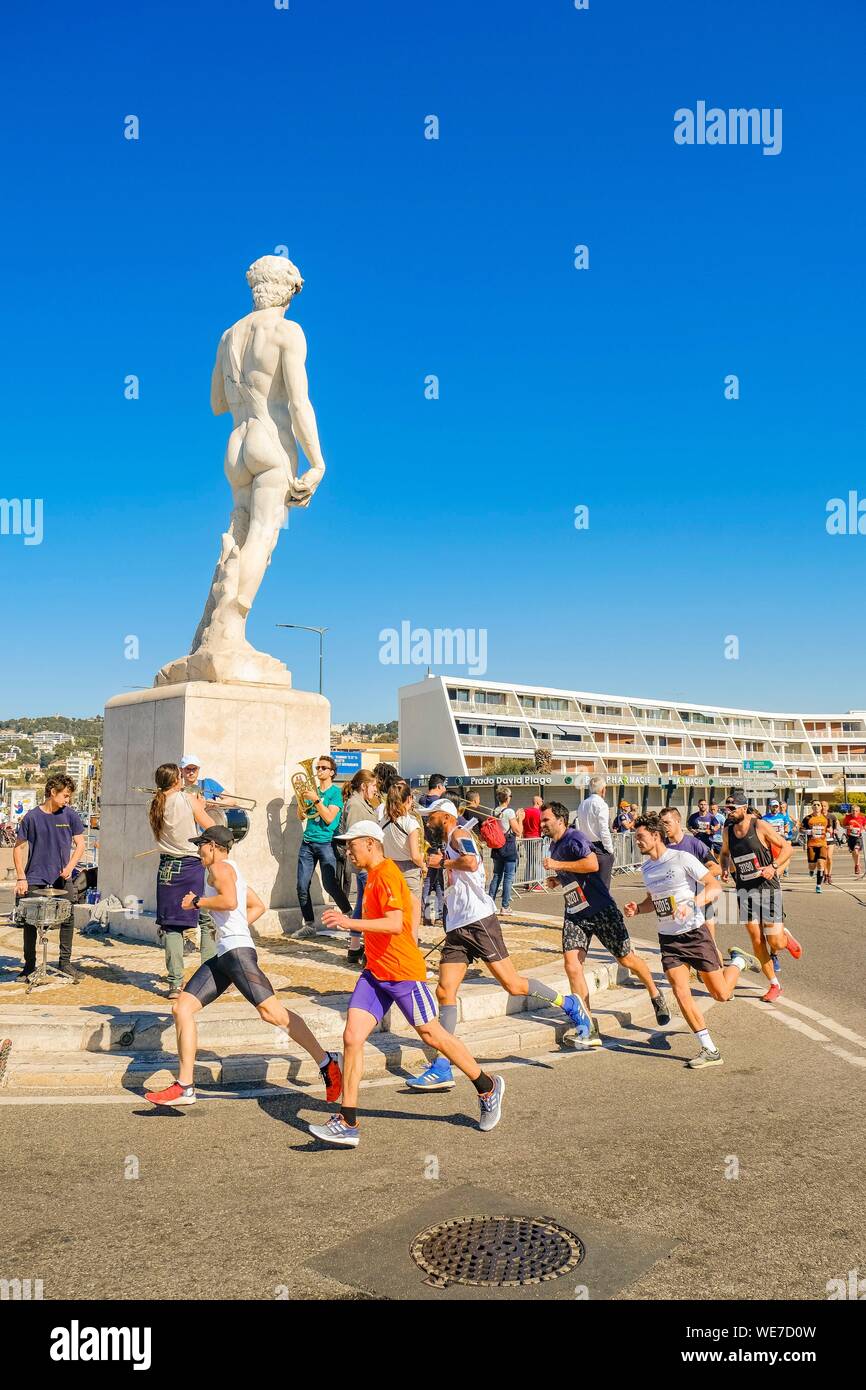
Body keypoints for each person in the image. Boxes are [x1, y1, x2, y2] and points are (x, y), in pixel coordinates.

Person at [309, 820, 505, 1145]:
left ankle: (487, 1086)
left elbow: (393, 921)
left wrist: (349, 923)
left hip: (402, 973)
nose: (348, 850)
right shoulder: (373, 875)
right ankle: (348, 1121)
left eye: (352, 844)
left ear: (370, 843)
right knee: (352, 1037)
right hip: (375, 973)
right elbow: (411, 906)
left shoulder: (385, 873)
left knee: (432, 1034)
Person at [145, 826, 342, 1107]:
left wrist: (197, 902)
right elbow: (257, 906)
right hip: (227, 953)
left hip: (236, 954)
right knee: (182, 1008)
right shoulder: (231, 870)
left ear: (213, 846)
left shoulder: (220, 869)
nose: (198, 851)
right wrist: (231, 930)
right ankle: (185, 1086)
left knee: (272, 1012)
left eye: (200, 845)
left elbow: (230, 901)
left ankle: (327, 1061)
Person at [405, 799, 590, 1090]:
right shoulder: (450, 839)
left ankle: (569, 1004)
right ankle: (442, 1065)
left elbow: (471, 862)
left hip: (479, 921)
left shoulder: (459, 836)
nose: (428, 822)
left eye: (431, 817)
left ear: (445, 816)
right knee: (444, 990)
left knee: (513, 985)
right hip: (457, 926)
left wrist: (442, 863)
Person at [624, 814, 750, 1069]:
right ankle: (709, 1049)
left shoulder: (682, 858)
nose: (636, 842)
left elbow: (714, 886)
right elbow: (653, 900)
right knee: (681, 993)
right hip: (668, 939)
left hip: (694, 933)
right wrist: (638, 908)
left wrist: (693, 903)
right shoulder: (647, 869)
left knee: (721, 994)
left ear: (655, 835)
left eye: (640, 837)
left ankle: (738, 962)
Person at [541, 801, 670, 1047]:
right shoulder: (554, 844)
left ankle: (655, 992)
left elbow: (591, 864)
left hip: (600, 909)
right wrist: (559, 879)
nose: (542, 824)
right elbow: (576, 872)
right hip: (575, 912)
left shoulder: (574, 837)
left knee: (626, 959)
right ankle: (586, 1026)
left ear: (560, 819)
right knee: (572, 965)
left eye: (546, 819)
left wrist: (558, 865)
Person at [720, 789, 801, 1003]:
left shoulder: (759, 825)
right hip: (744, 888)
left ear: (743, 808)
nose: (728, 812)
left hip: (767, 886)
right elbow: (725, 853)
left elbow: (787, 848)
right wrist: (725, 868)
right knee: (756, 940)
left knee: (775, 941)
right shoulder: (727, 830)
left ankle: (785, 936)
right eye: (726, 808)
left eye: (731, 808)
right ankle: (775, 984)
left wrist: (773, 866)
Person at [148, 764, 217, 998]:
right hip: (190, 865)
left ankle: (175, 984)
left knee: (172, 927)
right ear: (177, 780)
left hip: (166, 867)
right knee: (206, 921)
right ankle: (209, 978)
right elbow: (212, 828)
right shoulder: (187, 799)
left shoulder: (154, 803)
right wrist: (202, 806)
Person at [13, 774, 87, 982]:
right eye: (65, 795)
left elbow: (80, 844)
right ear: (53, 792)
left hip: (62, 878)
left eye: (69, 796)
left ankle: (65, 963)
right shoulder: (31, 817)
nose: (68, 800)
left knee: (68, 918)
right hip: (35, 876)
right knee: (30, 921)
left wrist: (70, 867)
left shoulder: (70, 815)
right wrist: (21, 877)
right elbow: (18, 848)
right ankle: (29, 965)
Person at [295, 753, 354, 934]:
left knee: (330, 884)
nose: (318, 770)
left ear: (332, 772)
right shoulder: (313, 791)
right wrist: (300, 799)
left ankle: (349, 915)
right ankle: (309, 924)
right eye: (317, 768)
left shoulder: (335, 793)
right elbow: (301, 816)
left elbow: (329, 818)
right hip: (307, 842)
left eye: (323, 768)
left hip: (326, 843)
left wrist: (316, 800)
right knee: (301, 885)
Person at [659, 806, 722, 936]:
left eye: (667, 823)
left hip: (700, 899)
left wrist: (696, 877)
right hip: (675, 904)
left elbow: (716, 868)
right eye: (661, 823)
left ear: (678, 821)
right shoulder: (662, 847)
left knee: (710, 946)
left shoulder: (694, 844)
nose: (664, 826)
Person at [340, 768, 381, 966]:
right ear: (364, 786)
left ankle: (355, 948)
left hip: (367, 863)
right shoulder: (356, 805)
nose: (375, 790)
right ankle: (366, 950)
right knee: (370, 908)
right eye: (373, 786)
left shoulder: (362, 802)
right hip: (366, 864)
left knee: (361, 905)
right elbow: (356, 837)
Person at [381, 781, 426, 917]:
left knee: (394, 911)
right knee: (412, 912)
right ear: (409, 799)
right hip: (409, 870)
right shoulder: (410, 823)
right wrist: (423, 865)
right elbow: (415, 856)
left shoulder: (382, 821)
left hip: (390, 868)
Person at [573, 775, 614, 889]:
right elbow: (604, 829)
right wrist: (609, 850)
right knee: (603, 886)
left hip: (586, 846)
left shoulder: (582, 804)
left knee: (589, 885)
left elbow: (579, 825)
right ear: (603, 790)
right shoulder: (601, 804)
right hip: (600, 847)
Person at [418, 774, 448, 925]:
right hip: (435, 847)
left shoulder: (421, 801)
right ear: (438, 786)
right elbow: (437, 829)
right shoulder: (438, 804)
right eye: (443, 786)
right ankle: (436, 914)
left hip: (424, 846)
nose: (445, 789)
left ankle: (428, 913)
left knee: (430, 881)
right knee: (435, 882)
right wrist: (439, 848)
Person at [488, 787, 522, 914]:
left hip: (497, 846)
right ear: (507, 798)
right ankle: (505, 906)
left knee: (496, 875)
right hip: (508, 846)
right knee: (508, 878)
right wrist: (520, 819)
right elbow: (518, 831)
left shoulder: (494, 810)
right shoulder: (509, 812)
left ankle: (490, 902)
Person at [801, 799, 830, 892]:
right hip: (811, 845)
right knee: (812, 865)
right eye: (814, 805)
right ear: (812, 807)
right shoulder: (807, 818)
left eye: (818, 805)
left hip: (822, 844)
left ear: (821, 807)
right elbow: (801, 829)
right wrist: (809, 831)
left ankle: (818, 886)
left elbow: (829, 828)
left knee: (821, 864)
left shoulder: (826, 818)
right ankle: (811, 871)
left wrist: (830, 831)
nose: (816, 806)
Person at [521, 793, 545, 890]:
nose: (543, 803)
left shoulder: (525, 811)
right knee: (536, 862)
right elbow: (542, 827)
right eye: (542, 801)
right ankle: (537, 883)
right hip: (536, 839)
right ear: (538, 802)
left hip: (527, 838)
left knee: (529, 861)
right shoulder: (539, 813)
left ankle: (526, 882)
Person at [843, 804, 866, 877]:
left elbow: (865, 826)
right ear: (851, 811)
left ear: (859, 811)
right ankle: (856, 864)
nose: (854, 812)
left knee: (856, 850)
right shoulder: (847, 817)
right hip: (850, 837)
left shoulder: (862, 818)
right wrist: (848, 827)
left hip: (859, 837)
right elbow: (843, 825)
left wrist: (863, 829)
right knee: (853, 852)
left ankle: (858, 865)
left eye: (856, 811)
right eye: (853, 811)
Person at [822, 801, 839, 884]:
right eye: (822, 806)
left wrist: (835, 830)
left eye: (825, 806)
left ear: (827, 807)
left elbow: (836, 823)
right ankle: (825, 875)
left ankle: (829, 875)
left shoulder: (831, 816)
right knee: (824, 858)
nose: (823, 807)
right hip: (821, 840)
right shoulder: (818, 816)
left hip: (830, 840)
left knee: (829, 857)